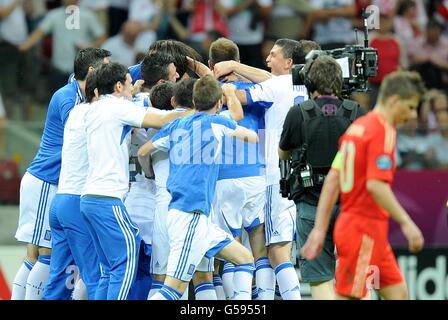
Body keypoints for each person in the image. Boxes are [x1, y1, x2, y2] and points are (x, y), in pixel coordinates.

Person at [301, 71, 425, 300]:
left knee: (399, 294)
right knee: (351, 296)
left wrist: (320, 229)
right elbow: (376, 185)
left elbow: (332, 180)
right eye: (409, 107)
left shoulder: (358, 128)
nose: (412, 115)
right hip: (363, 230)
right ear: (394, 100)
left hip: (366, 230)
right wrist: (407, 223)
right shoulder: (382, 131)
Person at [212, 39, 319, 300]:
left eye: (273, 55)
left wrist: (224, 82)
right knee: (281, 250)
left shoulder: (275, 86)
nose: (268, 59)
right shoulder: (310, 86)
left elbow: (238, 96)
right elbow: (268, 79)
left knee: (277, 252)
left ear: (289, 62)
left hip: (277, 175)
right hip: (307, 175)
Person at [139, 75, 257, 300]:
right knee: (172, 291)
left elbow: (143, 151)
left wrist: (149, 173)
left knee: (244, 259)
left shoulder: (175, 125)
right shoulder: (217, 122)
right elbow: (252, 137)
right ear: (218, 103)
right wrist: (231, 95)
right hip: (188, 216)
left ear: (194, 100)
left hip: (196, 217)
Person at [79, 62, 190, 300]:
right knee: (124, 266)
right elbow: (162, 120)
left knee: (108, 272)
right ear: (118, 85)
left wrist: (135, 94)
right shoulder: (117, 107)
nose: (134, 87)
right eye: (130, 83)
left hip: (88, 198)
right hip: (108, 198)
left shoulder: (93, 109)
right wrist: (196, 110)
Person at [11, 48, 111, 300]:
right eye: (106, 67)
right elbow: (81, 135)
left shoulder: (79, 92)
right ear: (92, 71)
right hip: (46, 180)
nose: (111, 72)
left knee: (40, 254)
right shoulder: (67, 97)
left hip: (54, 182)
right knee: (43, 253)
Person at [278, 55, 367, 299]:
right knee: (356, 276)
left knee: (319, 278)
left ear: (309, 84)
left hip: (311, 203)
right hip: (350, 204)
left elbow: (283, 152)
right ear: (339, 82)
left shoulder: (298, 113)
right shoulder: (357, 112)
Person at [43, 71, 100, 300]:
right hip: (78, 201)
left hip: (61, 201)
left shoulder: (76, 110)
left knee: (61, 280)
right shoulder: (101, 114)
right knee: (95, 276)